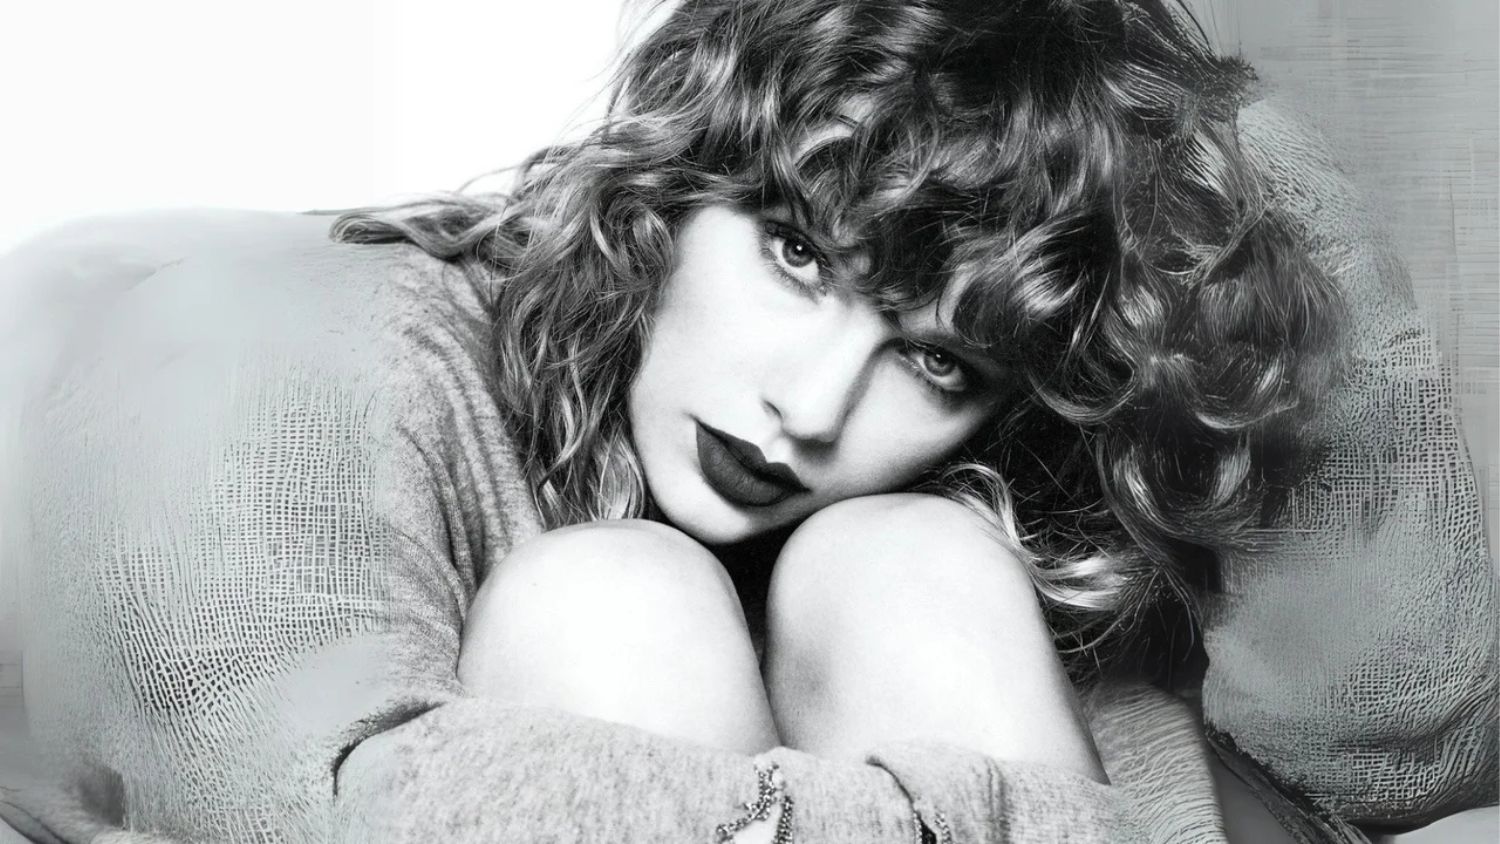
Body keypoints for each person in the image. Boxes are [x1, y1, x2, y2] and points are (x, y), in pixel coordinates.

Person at [0, 0, 1492, 841]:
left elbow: (1412, 736)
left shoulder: (934, 538)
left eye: (938, 364)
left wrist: (1187, 155)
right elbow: (297, 809)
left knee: (901, 564)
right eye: (797, 258)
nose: (810, 406)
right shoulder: (298, 353)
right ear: (668, 182)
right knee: (612, 594)